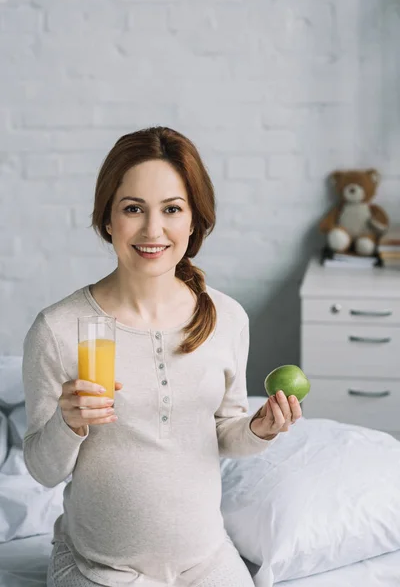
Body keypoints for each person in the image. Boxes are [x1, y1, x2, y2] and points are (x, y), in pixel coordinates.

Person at [22, 127, 302, 587]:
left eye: (172, 209)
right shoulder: (57, 329)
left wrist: (259, 428)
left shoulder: (227, 318)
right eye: (133, 209)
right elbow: (43, 470)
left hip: (205, 562)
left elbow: (224, 433)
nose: (153, 230)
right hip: (100, 568)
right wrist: (67, 424)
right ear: (108, 219)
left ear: (194, 221)